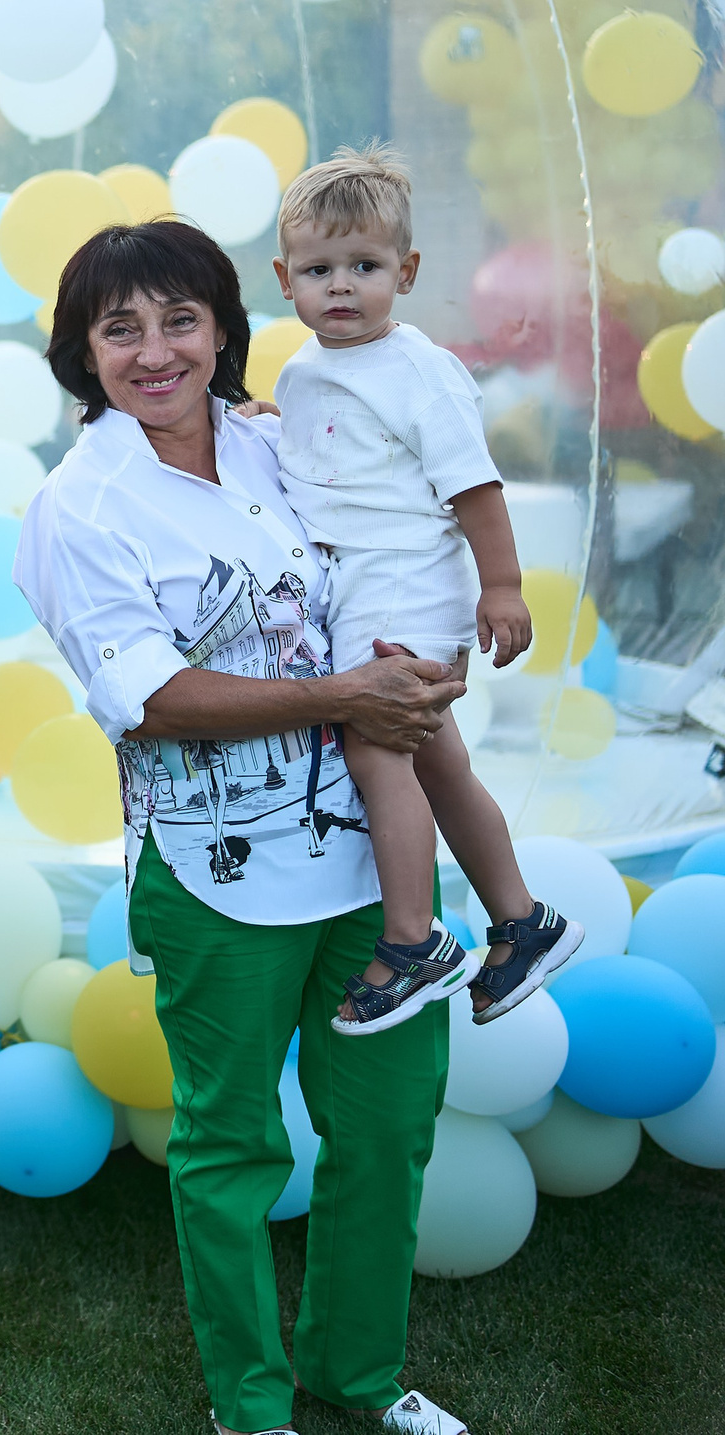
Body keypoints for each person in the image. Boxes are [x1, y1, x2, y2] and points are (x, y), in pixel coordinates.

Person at [12, 219, 471, 1435]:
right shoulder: (78, 507)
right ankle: (250, 1407)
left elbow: (400, 543)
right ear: (83, 353)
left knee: (385, 1131)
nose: (154, 351)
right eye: (120, 330)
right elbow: (152, 702)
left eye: (178, 320)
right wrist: (343, 696)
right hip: (222, 879)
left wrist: (429, 656)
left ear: (222, 327)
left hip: (376, 858)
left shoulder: (285, 442)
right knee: (230, 1147)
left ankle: (358, 1375)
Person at [267, 147, 579, 1034]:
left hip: (404, 584)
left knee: (375, 750)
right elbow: (315, 455)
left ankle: (413, 939)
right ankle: (522, 920)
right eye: (320, 270)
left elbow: (473, 485)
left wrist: (503, 585)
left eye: (364, 267)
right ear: (286, 278)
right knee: (437, 761)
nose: (341, 287)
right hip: (356, 590)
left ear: (404, 272)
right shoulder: (302, 372)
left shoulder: (418, 368)